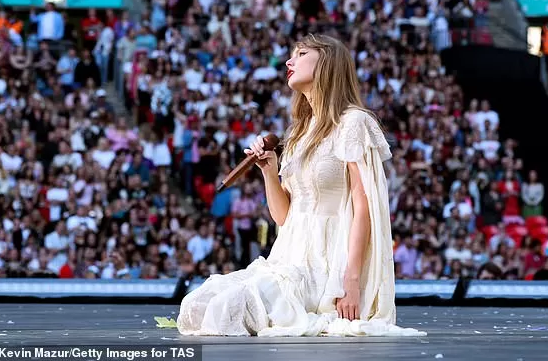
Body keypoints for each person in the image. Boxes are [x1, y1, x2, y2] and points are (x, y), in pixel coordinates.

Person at [176, 34, 426, 337]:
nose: (288, 62)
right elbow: (285, 218)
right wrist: (269, 171)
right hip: (288, 255)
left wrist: (350, 281)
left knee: (226, 310)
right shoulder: (299, 133)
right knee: (196, 306)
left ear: (327, 65)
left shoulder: (354, 123)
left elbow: (365, 208)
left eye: (301, 54)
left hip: (328, 262)